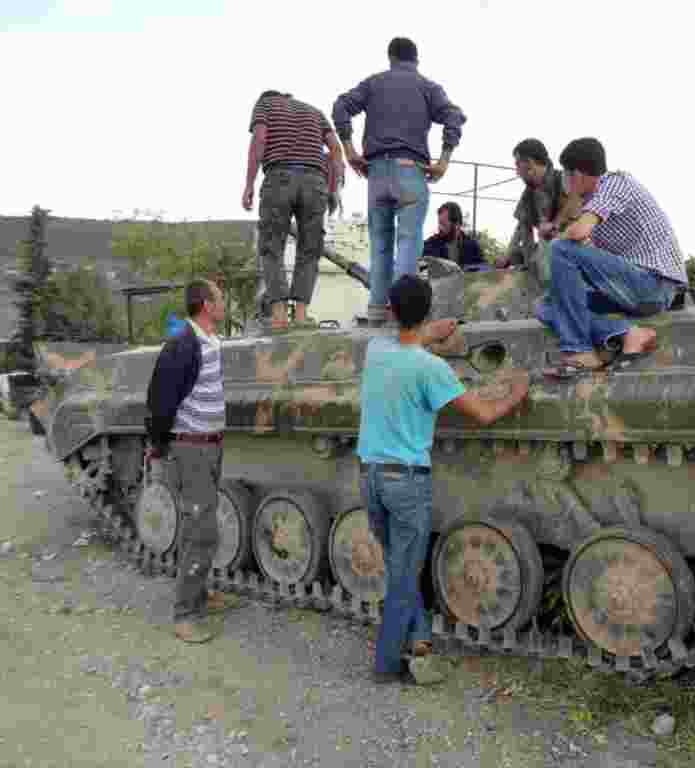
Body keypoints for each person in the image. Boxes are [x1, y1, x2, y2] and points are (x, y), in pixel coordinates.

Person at [357, 274, 530, 684]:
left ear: (391, 313)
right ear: (429, 313)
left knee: (400, 565)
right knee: (403, 575)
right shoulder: (431, 369)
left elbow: (405, 342)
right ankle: (386, 666)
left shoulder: (375, 350)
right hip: (407, 482)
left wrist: (428, 333)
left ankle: (419, 642)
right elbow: (485, 414)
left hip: (371, 478)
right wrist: (517, 392)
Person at [332, 37, 467, 327]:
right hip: (410, 170)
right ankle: (402, 316)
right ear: (416, 60)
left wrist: (350, 150)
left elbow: (341, 106)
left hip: (376, 173)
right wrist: (443, 160)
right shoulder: (427, 87)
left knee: (380, 245)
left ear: (390, 58)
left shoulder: (374, 83)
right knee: (408, 243)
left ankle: (378, 310)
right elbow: (454, 116)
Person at [539, 138, 689, 379]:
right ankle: (626, 333)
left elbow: (577, 234)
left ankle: (580, 352)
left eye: (566, 175)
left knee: (561, 249)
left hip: (655, 285)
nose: (565, 182)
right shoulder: (595, 204)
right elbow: (587, 252)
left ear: (576, 174)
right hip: (631, 288)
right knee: (548, 305)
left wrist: (560, 233)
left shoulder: (616, 183)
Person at [145, 280, 233, 644]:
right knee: (202, 530)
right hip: (192, 448)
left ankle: (198, 595)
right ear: (206, 305)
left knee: (198, 525)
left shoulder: (210, 341)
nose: (224, 303)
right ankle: (185, 614)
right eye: (220, 298)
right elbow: (160, 399)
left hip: (211, 445)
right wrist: (159, 444)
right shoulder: (183, 344)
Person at [243, 90, 345, 329]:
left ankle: (279, 317)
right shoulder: (315, 112)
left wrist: (249, 183)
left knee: (271, 247)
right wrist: (334, 187)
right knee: (310, 250)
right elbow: (335, 149)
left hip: (279, 178)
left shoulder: (265, 104)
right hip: (315, 182)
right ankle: (300, 316)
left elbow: (259, 139)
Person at [496, 138, 582, 270]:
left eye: (518, 165)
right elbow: (522, 227)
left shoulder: (565, 180)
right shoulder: (528, 195)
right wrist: (509, 256)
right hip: (549, 254)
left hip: (576, 251)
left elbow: (578, 209)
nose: (517, 172)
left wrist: (555, 225)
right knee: (519, 257)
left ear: (530, 164)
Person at [421, 202, 485, 270]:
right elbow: (422, 269)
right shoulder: (430, 245)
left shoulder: (472, 246)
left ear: (457, 224)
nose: (440, 227)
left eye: (443, 224)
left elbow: (482, 269)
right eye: (439, 223)